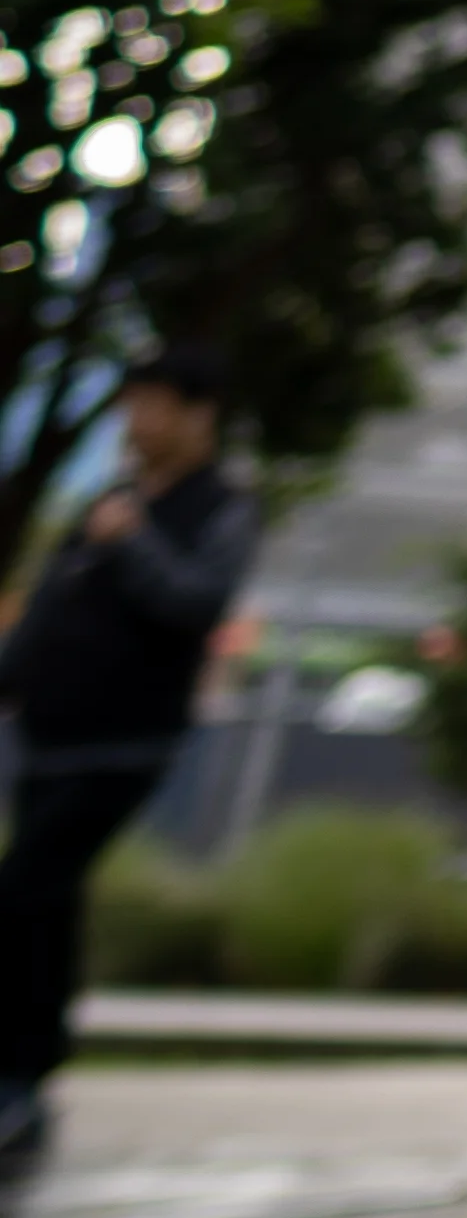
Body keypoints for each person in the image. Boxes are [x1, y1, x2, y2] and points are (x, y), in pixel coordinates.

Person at [0, 345, 258, 1163]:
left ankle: (18, 1077)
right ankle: (27, 1077)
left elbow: (196, 604)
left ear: (197, 414)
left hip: (126, 743)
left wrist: (135, 541)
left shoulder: (221, 509)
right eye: (130, 404)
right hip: (49, 735)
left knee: (26, 892)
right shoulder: (107, 499)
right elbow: (49, 606)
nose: (135, 423)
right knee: (44, 904)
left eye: (152, 405)